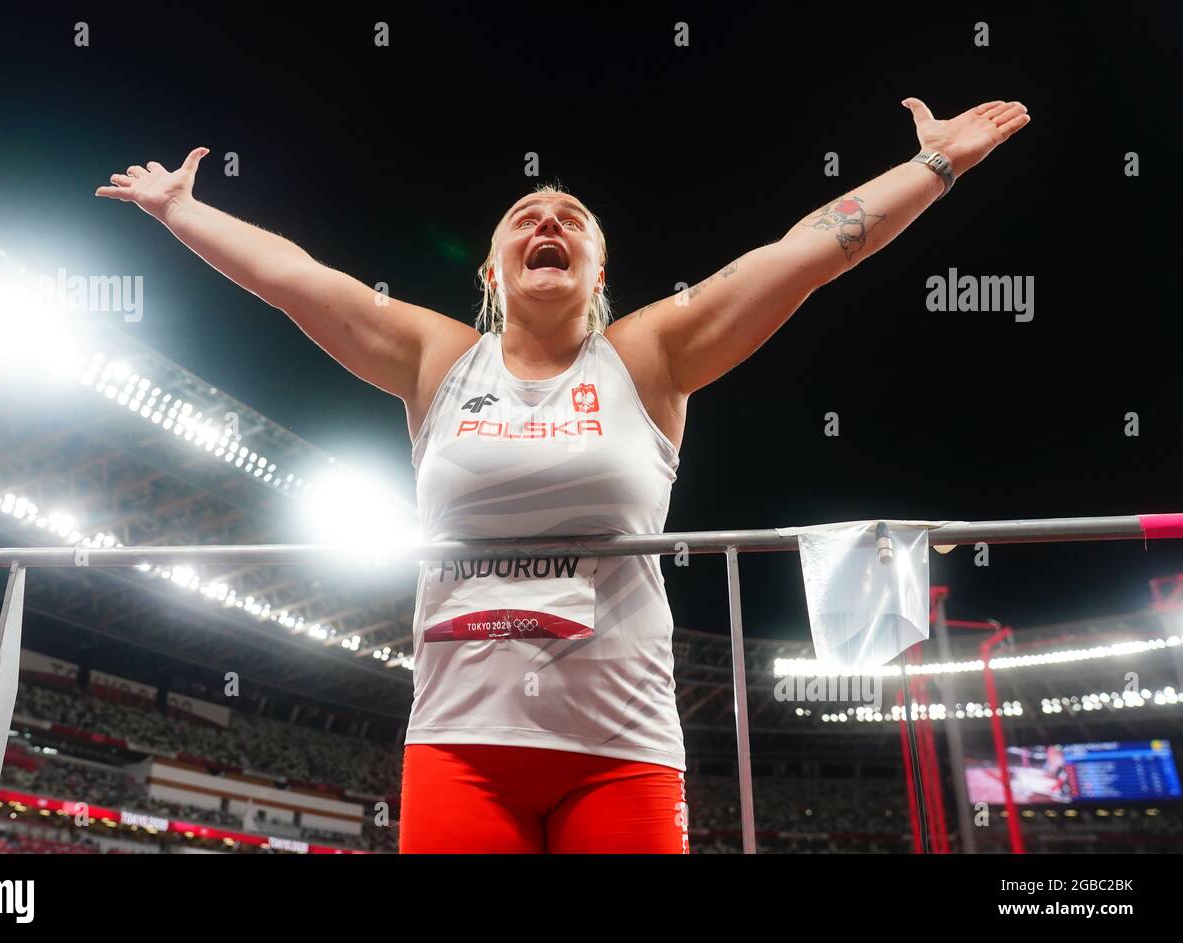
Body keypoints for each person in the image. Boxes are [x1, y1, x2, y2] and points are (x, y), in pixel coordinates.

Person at [96, 97, 1030, 853]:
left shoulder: (651, 355)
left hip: (620, 747)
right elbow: (296, 278)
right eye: (525, 218)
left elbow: (805, 255)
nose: (549, 220)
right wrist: (181, 209)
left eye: (572, 220)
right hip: (462, 743)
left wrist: (934, 165)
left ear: (598, 269)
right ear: (495, 272)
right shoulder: (437, 359)